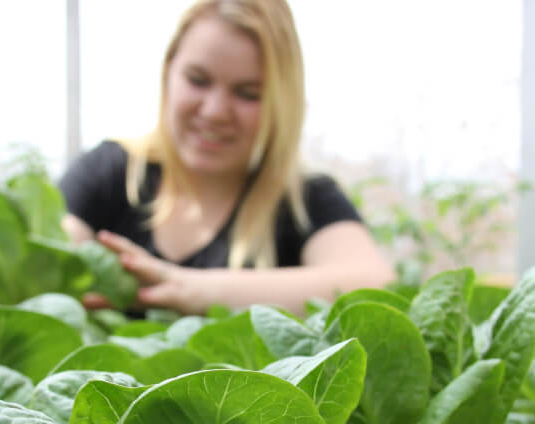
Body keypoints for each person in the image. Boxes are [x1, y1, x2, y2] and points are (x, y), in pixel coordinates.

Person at [59, 0, 394, 316]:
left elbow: (374, 286)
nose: (216, 112)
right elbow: (47, 249)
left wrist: (188, 288)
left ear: (281, 102)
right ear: (168, 72)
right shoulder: (112, 171)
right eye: (198, 80)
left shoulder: (303, 199)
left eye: (247, 93)